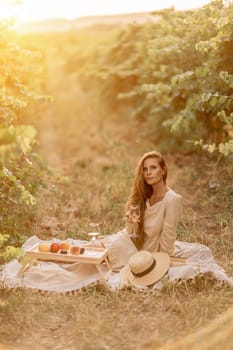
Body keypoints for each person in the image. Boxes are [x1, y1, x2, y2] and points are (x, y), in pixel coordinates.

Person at [102, 150, 182, 270]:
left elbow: (168, 236)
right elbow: (130, 233)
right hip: (128, 243)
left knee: (96, 260)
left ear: (163, 170)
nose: (148, 172)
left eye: (153, 167)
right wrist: (130, 222)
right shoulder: (143, 195)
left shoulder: (172, 199)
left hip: (143, 254)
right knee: (91, 252)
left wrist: (162, 263)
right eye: (145, 169)